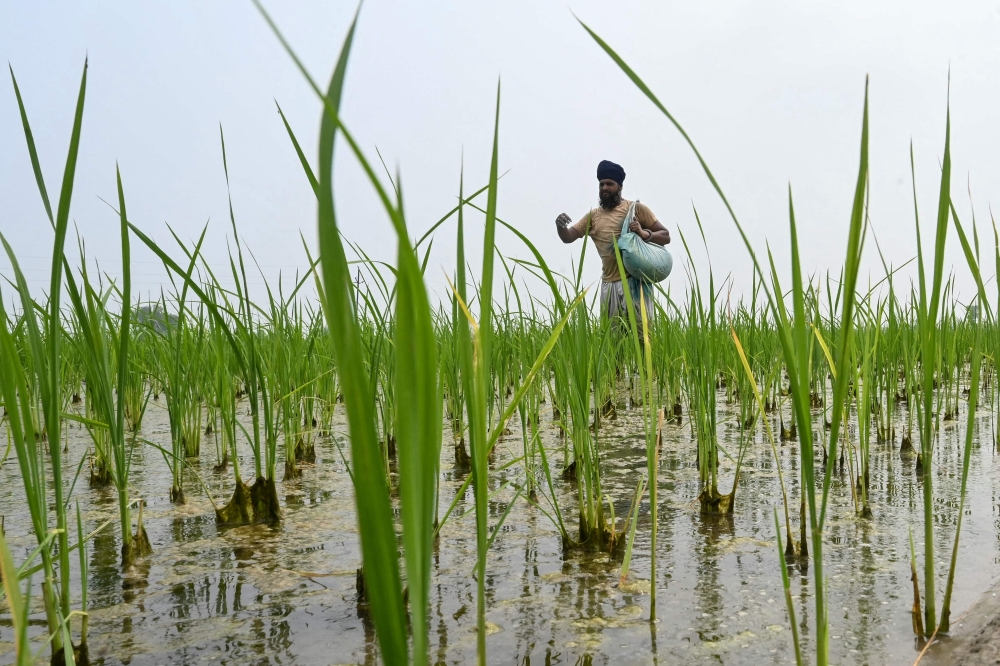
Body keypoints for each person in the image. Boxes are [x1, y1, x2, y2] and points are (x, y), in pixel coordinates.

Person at [555, 160, 670, 328]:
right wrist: (560, 226)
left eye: (610, 184)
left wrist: (643, 233)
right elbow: (568, 237)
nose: (604, 188)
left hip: (635, 283)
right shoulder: (593, 217)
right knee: (613, 339)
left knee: (640, 336)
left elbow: (665, 236)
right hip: (609, 285)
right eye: (601, 184)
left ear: (620, 186)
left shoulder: (636, 209)